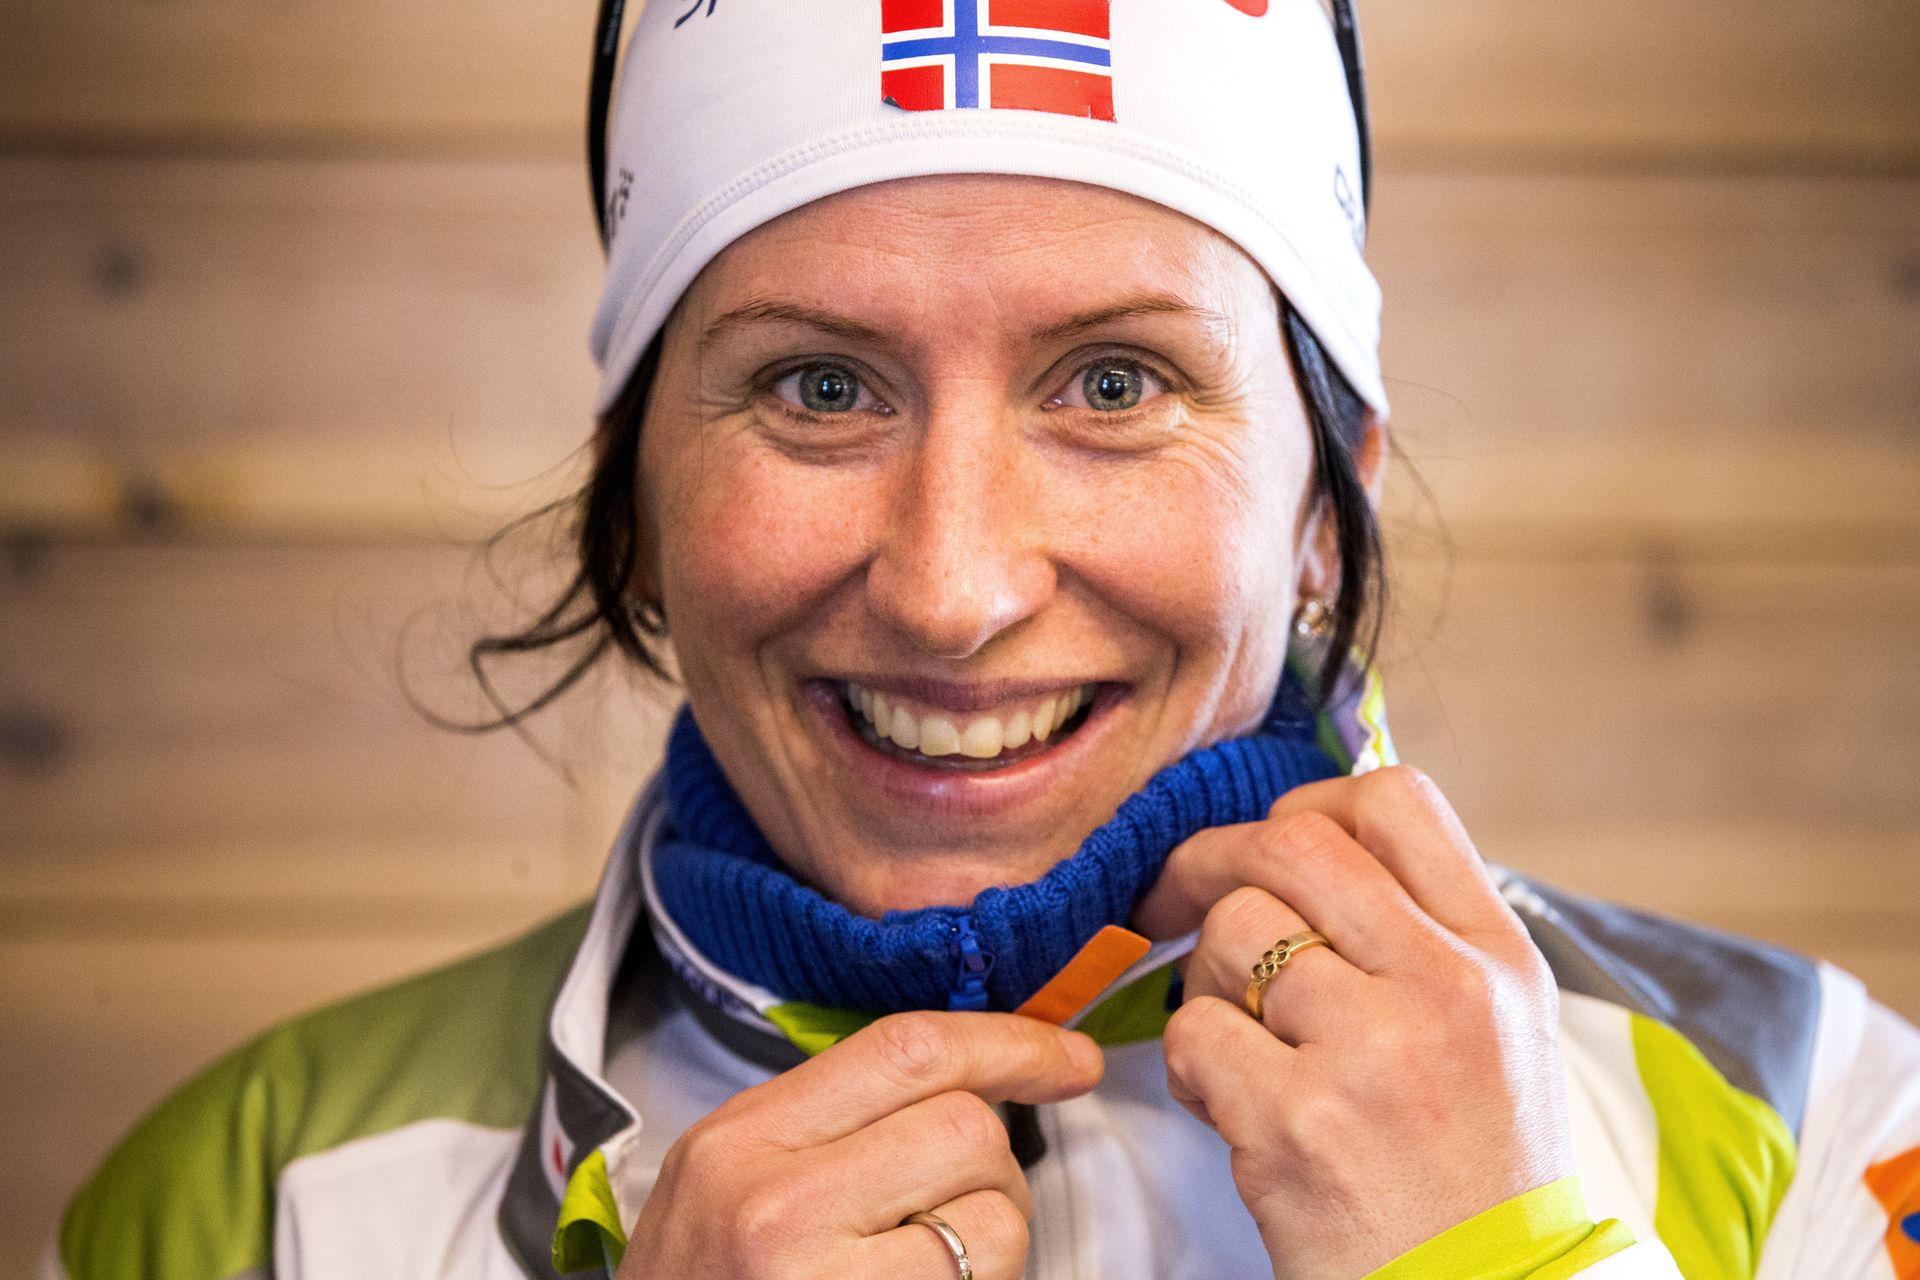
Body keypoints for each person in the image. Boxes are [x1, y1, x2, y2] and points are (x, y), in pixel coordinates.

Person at [45, 2, 1920, 1278]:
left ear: (1322, 498)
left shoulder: (1822, 1118)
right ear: (639, 500)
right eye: (818, 387)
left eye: (1113, 384)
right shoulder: (259, 1203)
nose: (953, 588)